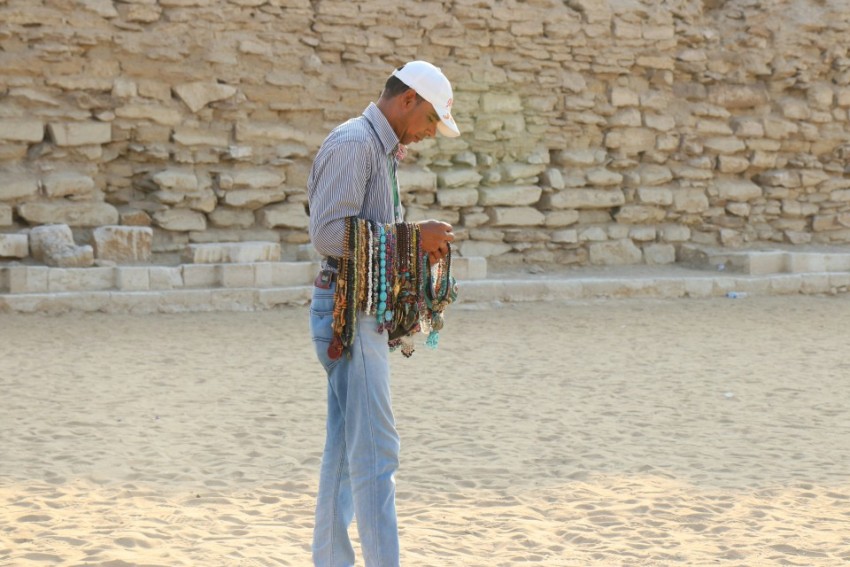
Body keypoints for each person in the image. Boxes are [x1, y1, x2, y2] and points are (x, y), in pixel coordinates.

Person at [306, 61, 461, 567]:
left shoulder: (379, 148)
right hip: (349, 318)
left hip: (354, 309)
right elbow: (327, 235)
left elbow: (363, 235)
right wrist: (412, 237)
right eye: (432, 120)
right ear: (408, 100)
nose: (431, 133)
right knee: (376, 453)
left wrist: (411, 247)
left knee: (347, 457)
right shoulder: (355, 144)